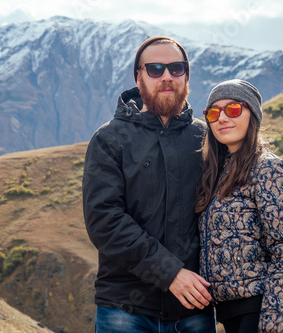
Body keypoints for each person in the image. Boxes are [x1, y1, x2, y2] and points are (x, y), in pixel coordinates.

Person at [82, 36, 216, 332]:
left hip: (194, 309)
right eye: (155, 69)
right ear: (138, 76)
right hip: (125, 311)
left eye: (176, 68)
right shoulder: (109, 140)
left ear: (186, 75)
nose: (166, 76)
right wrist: (171, 274)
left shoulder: (206, 139)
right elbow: (105, 221)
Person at [196, 79, 283, 332]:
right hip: (229, 314)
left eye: (233, 109)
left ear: (252, 115)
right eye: (214, 113)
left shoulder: (268, 168)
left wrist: (274, 324)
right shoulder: (215, 173)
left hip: (262, 312)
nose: (222, 118)